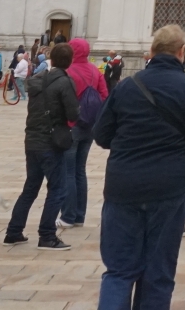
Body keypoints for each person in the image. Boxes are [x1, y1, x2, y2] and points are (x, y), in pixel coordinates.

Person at [92, 24, 185, 307]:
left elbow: (102, 135)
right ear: (182, 52)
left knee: (119, 270)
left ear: (150, 52)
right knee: (158, 273)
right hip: (170, 186)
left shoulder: (127, 86)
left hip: (123, 184)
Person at [5, 42, 79, 250]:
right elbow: (72, 113)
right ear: (70, 61)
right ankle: (47, 235)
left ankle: (14, 231)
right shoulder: (65, 82)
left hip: (33, 139)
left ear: (51, 59)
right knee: (57, 189)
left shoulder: (36, 80)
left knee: (31, 187)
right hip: (51, 140)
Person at [59, 36, 108, 230]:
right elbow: (104, 96)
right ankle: (80, 215)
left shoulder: (68, 71)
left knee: (68, 172)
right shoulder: (96, 71)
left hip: (71, 125)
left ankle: (68, 216)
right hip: (89, 127)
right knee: (80, 171)